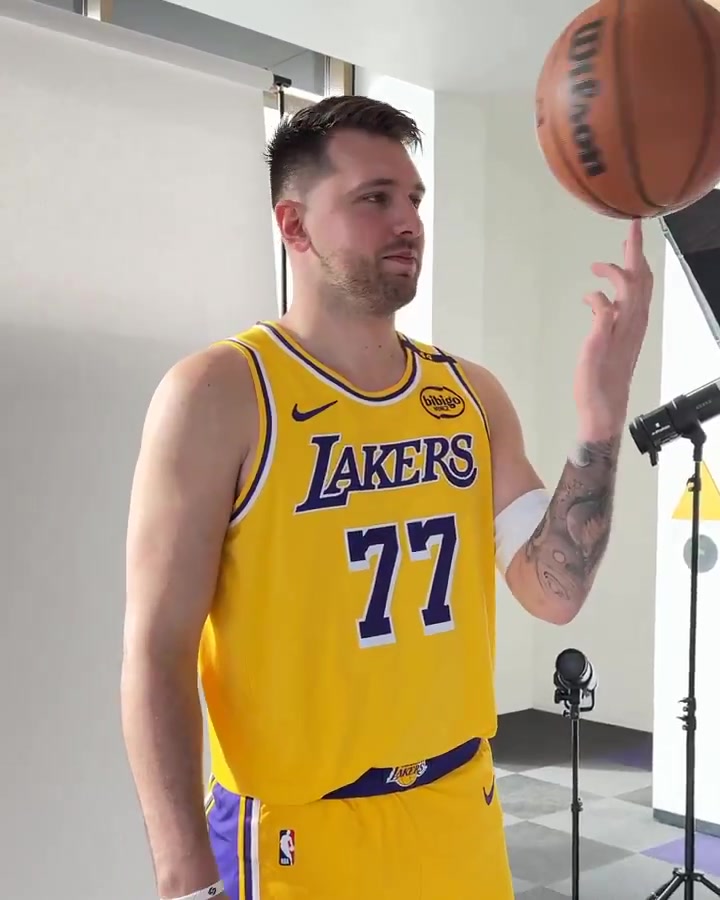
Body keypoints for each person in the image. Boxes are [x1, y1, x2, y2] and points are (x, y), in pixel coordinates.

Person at [121, 95, 653, 900]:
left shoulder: (470, 395)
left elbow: (554, 590)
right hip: (294, 833)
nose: (408, 222)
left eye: (413, 199)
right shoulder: (219, 394)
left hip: (459, 812)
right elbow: (157, 654)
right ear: (294, 225)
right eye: (374, 199)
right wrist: (185, 878)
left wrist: (600, 419)